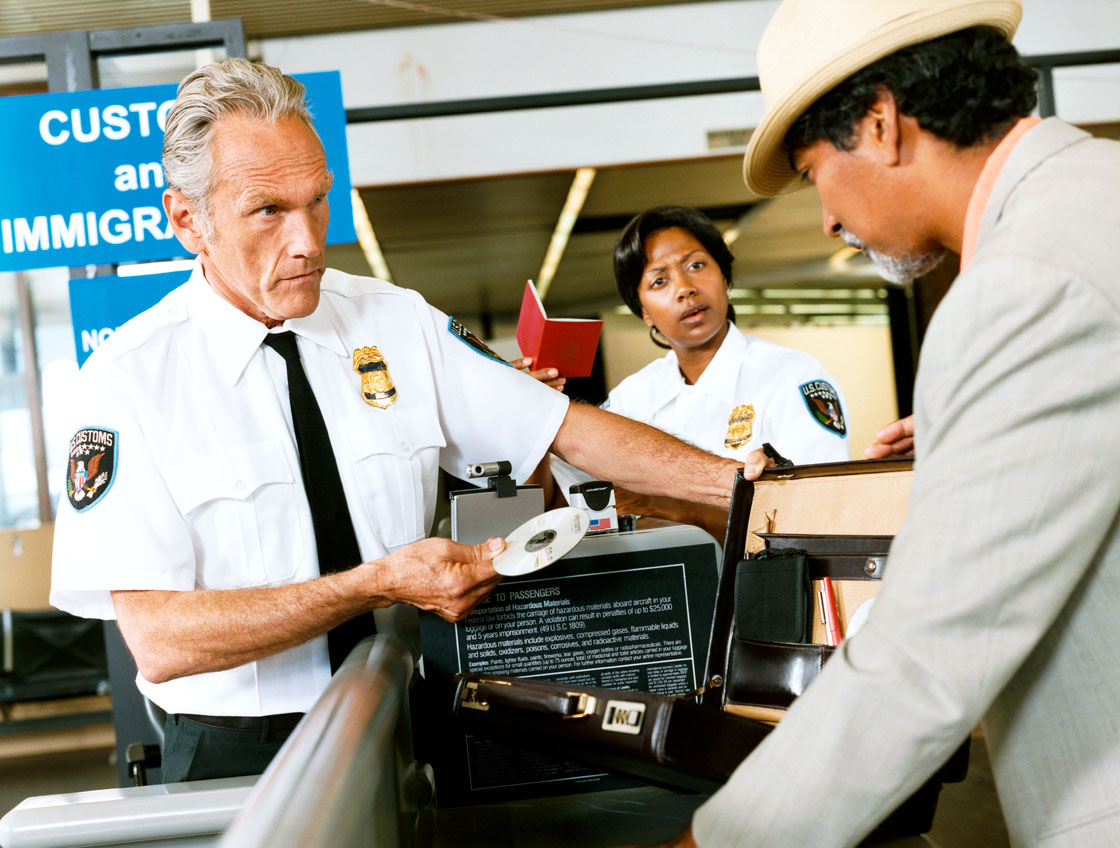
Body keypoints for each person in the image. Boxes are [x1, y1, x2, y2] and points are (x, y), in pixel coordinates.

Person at [484, 1, 1120, 848]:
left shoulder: (1025, 285)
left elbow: (927, 652)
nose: (826, 218)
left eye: (816, 172)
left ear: (881, 124)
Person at [48, 58, 764, 784]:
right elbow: (161, 639)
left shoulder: (392, 320)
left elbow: (562, 428)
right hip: (244, 753)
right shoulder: (126, 383)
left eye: (318, 201)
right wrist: (374, 584)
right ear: (187, 221)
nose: (307, 241)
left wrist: (741, 484)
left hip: (412, 713)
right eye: (268, 211)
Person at [550, 206, 849, 534]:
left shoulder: (792, 376)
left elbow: (822, 511)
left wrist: (664, 505)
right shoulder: (632, 398)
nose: (684, 288)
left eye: (696, 265)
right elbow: (566, 502)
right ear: (643, 311)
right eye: (659, 280)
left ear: (724, 276)